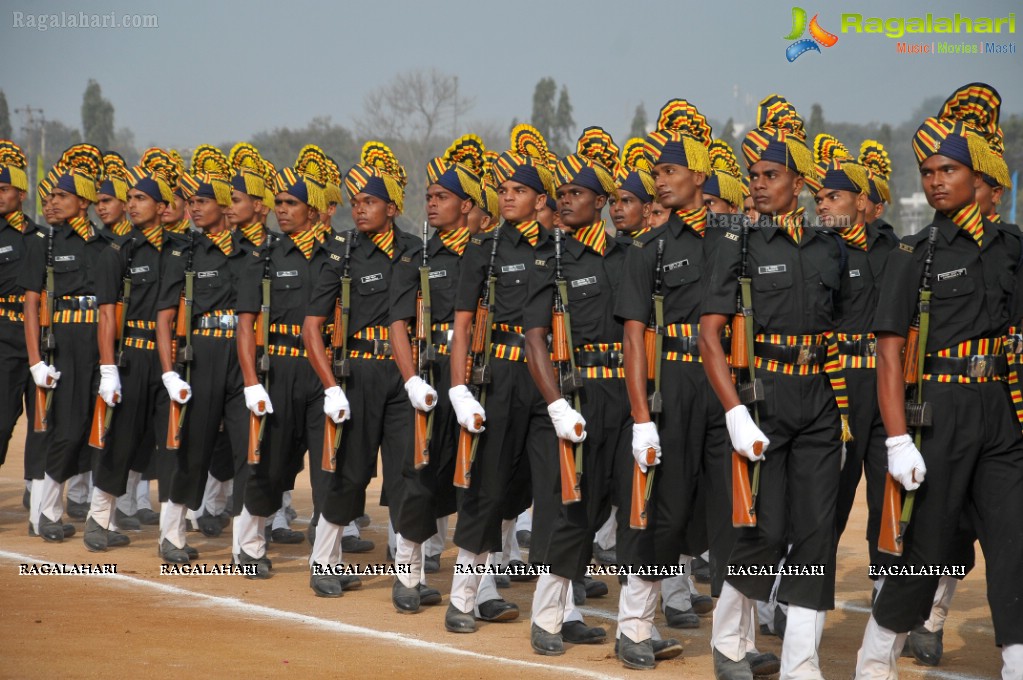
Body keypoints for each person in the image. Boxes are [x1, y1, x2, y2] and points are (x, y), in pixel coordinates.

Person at [855, 83, 1023, 679]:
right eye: (927, 171)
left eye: (947, 169)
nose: (935, 181)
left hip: (1000, 413)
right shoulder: (913, 252)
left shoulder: (1010, 248)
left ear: (977, 175)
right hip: (940, 411)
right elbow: (890, 352)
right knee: (923, 551)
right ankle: (874, 661)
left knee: (1013, 545)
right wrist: (897, 439)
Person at [700, 94, 848, 680]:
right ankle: (730, 645)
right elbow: (711, 337)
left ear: (798, 181)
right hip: (761, 398)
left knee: (815, 538)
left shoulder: (828, 245)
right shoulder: (734, 242)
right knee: (762, 530)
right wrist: (735, 413)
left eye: (771, 175)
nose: (758, 184)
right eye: (753, 175)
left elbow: (841, 329)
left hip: (818, 400)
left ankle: (800, 664)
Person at [443, 124, 558, 634]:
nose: (509, 197)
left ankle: (560, 610)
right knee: (486, 487)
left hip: (549, 381)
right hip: (502, 375)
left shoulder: (560, 250)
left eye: (520, 191)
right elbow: (462, 325)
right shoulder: (483, 250)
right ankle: (463, 596)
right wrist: (459, 387)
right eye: (504, 190)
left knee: (551, 489)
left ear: (540, 199)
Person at [522, 126, 630, 658]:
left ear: (602, 203)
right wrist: (556, 404)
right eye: (561, 194)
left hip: (622, 396)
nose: (565, 200)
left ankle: (573, 612)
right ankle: (546, 616)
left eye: (576, 194)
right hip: (578, 394)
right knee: (571, 509)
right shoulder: (552, 259)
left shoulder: (626, 254)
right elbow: (534, 338)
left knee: (606, 506)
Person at [302, 141, 419, 596]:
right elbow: (313, 328)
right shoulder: (344, 254)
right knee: (349, 473)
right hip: (360, 374)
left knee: (409, 473)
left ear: (392, 207)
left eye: (369, 201)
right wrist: (330, 386)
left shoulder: (413, 251)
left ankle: (408, 574)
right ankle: (324, 562)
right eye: (355, 202)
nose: (360, 209)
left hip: (404, 377)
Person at [387, 134, 487, 612]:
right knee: (420, 476)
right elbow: (398, 326)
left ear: (467, 205)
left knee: (479, 482)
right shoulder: (417, 258)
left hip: (478, 378)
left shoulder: (488, 253)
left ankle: (479, 587)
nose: (431, 204)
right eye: (428, 197)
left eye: (441, 197)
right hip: (432, 378)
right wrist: (411, 381)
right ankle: (406, 575)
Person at [808, 134, 900, 607]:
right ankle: (796, 594)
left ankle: (887, 589)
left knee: (890, 493)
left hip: (886, 385)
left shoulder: (894, 250)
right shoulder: (817, 251)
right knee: (831, 498)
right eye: (819, 198)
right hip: (837, 385)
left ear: (862, 201)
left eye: (834, 196)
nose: (823, 205)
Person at [231, 165, 333, 578]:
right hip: (278, 369)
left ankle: (326, 560)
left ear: (313, 210)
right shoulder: (264, 257)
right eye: (279, 204)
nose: (282, 211)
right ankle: (249, 546)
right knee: (268, 464)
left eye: (292, 204)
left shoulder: (334, 257)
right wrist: (251, 382)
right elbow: (244, 325)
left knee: (329, 467)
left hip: (322, 372)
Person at [155, 145, 247, 563]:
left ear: (224, 204)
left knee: (249, 451)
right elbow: (164, 316)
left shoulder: (250, 252)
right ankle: (171, 534)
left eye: (202, 201)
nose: (193, 208)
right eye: (190, 202)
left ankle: (247, 544)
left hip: (242, 356)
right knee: (192, 449)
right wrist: (169, 372)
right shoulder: (182, 253)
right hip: (201, 356)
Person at [85, 149, 180, 551]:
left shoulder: (181, 250)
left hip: (172, 361)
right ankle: (98, 518)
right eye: (131, 198)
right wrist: (108, 369)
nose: (133, 204)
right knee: (118, 440)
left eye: (141, 198)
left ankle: (171, 535)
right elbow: (107, 316)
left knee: (174, 445)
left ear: (162, 207)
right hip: (132, 357)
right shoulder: (118, 252)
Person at [21, 144, 111, 543]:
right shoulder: (45, 241)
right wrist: (36, 360)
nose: (52, 202)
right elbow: (31, 303)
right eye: (51, 196)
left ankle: (97, 517)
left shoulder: (107, 244)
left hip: (101, 342)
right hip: (66, 342)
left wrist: (109, 363)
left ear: (85, 200)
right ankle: (47, 511)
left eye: (61, 195)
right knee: (68, 428)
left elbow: (111, 305)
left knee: (101, 430)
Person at [0, 141, 40, 475]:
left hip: (38, 336)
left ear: (21, 193)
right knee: (1, 420)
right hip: (3, 336)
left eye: (4, 189)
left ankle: (37, 496)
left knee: (41, 423)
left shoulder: (41, 236)